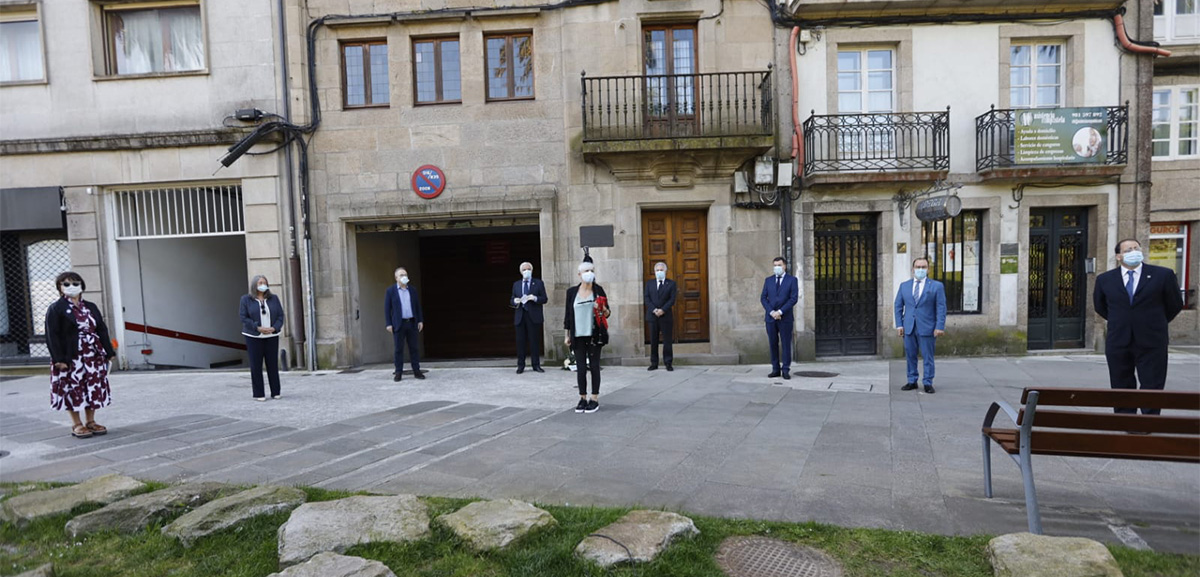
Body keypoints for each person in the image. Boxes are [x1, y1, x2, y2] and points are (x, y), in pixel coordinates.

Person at [1093, 239, 1183, 415]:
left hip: (1152, 340)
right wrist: (1122, 321)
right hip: (1119, 340)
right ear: (1118, 256)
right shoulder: (1105, 280)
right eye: (1128, 250)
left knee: (1152, 383)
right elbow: (1101, 306)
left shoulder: (1162, 275)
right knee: (1121, 383)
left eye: (1136, 248)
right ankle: (1126, 421)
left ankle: (1148, 422)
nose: (1133, 252)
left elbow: (1174, 304)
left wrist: (1154, 322)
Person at [45, 271, 116, 439]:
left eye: (75, 283)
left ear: (82, 286)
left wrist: (108, 351)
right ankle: (77, 423)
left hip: (92, 354)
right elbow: (52, 335)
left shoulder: (90, 306)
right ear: (60, 288)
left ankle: (91, 421)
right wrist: (59, 359)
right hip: (71, 356)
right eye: (66, 284)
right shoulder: (56, 308)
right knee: (72, 388)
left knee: (92, 386)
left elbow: (101, 329)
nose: (72, 287)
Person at [894, 257, 946, 394]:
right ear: (913, 269)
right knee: (910, 355)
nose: (920, 269)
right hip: (909, 327)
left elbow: (941, 307)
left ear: (928, 269)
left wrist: (939, 326)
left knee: (927, 356)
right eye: (918, 267)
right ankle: (912, 380)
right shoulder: (904, 286)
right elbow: (898, 306)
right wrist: (899, 325)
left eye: (923, 267)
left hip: (928, 327)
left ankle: (928, 382)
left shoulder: (936, 286)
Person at [564, 258, 609, 413]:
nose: (589, 274)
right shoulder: (571, 292)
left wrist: (601, 309)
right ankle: (582, 397)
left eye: (592, 271)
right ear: (579, 274)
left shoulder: (598, 290)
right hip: (578, 335)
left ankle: (594, 398)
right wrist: (567, 335)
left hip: (594, 334)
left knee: (594, 366)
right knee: (581, 368)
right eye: (586, 271)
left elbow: (607, 313)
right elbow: (568, 316)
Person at [239, 275, 286, 401]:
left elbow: (280, 316)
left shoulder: (273, 299)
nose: (263, 285)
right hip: (254, 336)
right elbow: (244, 317)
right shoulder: (245, 300)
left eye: (264, 282)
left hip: (271, 335)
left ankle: (275, 391)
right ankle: (259, 393)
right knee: (256, 365)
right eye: (260, 282)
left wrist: (274, 327)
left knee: (272, 364)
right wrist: (257, 328)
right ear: (255, 285)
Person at [760, 256, 798, 379]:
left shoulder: (792, 280)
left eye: (779, 265)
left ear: (784, 266)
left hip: (785, 317)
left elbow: (793, 298)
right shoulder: (768, 280)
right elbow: (763, 298)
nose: (777, 267)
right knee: (773, 343)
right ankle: (775, 368)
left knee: (786, 343)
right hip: (770, 318)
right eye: (775, 265)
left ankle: (785, 369)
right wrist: (771, 312)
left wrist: (780, 312)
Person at [385, 267, 424, 382]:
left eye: (405, 274)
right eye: (401, 275)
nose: (404, 277)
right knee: (398, 349)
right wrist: (388, 324)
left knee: (414, 348)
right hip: (399, 324)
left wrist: (420, 320)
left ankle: (417, 371)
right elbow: (387, 309)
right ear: (396, 278)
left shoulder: (412, 290)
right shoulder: (391, 291)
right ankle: (398, 372)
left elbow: (417, 306)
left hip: (411, 322)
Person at [511, 261, 548, 374]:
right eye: (524, 270)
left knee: (534, 341)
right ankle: (520, 365)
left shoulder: (538, 283)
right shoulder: (516, 284)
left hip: (533, 316)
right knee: (520, 341)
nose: (526, 271)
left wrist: (535, 298)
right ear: (521, 272)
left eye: (528, 269)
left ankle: (536, 365)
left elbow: (544, 299)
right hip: (520, 315)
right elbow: (512, 298)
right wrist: (515, 301)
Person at [644, 261, 677, 371]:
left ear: (665, 271)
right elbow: (647, 298)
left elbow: (672, 299)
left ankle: (668, 362)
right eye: (657, 270)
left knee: (667, 341)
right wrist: (654, 309)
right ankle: (654, 363)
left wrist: (663, 310)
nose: (659, 272)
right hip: (652, 316)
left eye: (661, 270)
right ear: (654, 272)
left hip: (665, 316)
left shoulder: (671, 284)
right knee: (654, 340)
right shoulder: (649, 284)